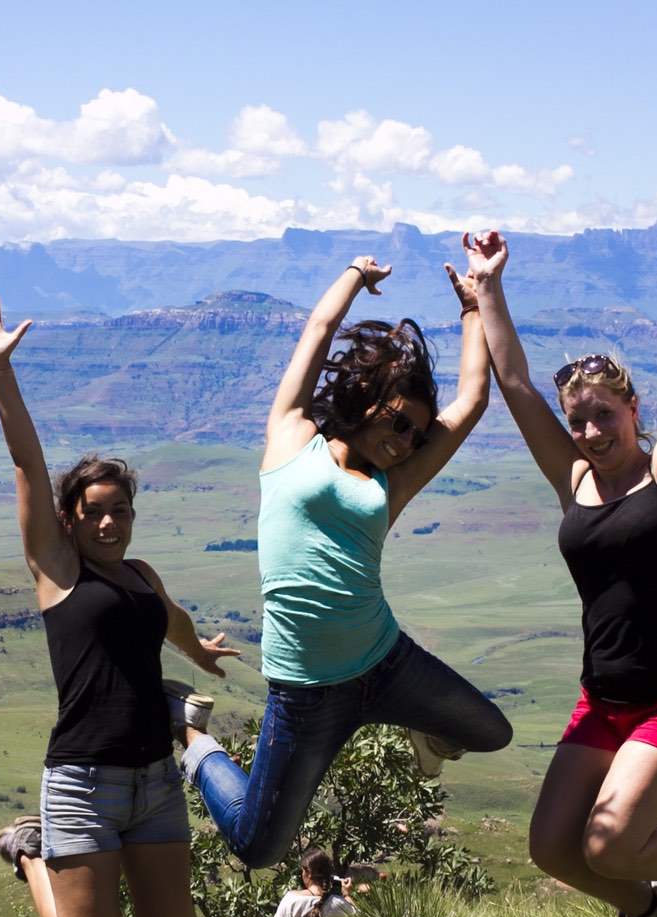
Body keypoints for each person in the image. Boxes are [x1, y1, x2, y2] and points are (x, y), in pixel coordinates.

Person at [470, 195, 657, 917]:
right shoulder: (574, 479)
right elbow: (515, 382)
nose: (589, 431)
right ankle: (644, 909)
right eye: (578, 419)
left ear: (633, 410)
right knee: (551, 847)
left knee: (607, 838)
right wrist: (489, 285)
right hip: (603, 699)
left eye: (603, 415)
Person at [180, 253, 511, 871]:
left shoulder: (394, 480)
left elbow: (472, 399)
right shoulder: (290, 436)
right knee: (258, 848)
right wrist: (356, 275)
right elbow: (318, 332)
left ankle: (416, 725)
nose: (408, 440)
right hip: (306, 693)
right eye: (399, 422)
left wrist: (473, 310)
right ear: (365, 397)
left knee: (491, 731)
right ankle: (193, 743)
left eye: (417, 433)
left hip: (383, 664)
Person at [0, 297, 241, 917]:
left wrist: (198, 652)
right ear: (71, 519)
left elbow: (168, 616)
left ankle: (46, 854)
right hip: (82, 783)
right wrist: (0, 371)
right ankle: (30, 853)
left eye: (122, 509)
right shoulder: (59, 572)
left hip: (154, 779)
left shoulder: (143, 573)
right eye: (97, 512)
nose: (112, 523)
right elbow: (29, 464)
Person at [266, 847, 359, 917]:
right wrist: (347, 895)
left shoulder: (290, 899)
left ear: (308, 873)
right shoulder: (338, 904)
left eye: (302, 871)